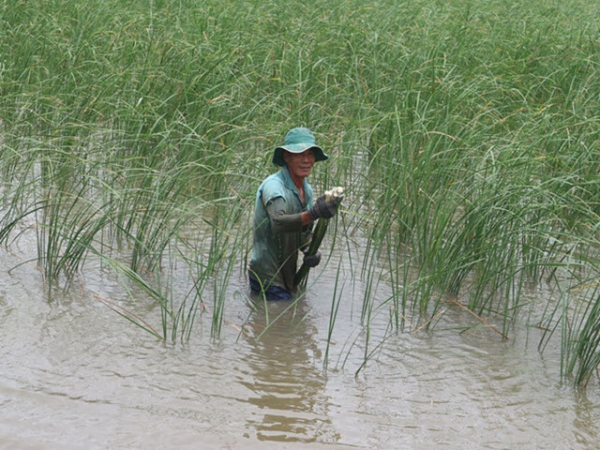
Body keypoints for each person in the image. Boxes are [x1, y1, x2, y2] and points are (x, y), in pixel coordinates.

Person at [248, 127, 341, 300]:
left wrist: (309, 248)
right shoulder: (274, 187)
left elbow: (303, 231)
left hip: (287, 273)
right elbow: (279, 222)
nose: (306, 160)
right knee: (283, 317)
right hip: (266, 274)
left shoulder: (307, 191)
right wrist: (314, 213)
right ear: (287, 157)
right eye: (299, 154)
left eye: (310, 154)